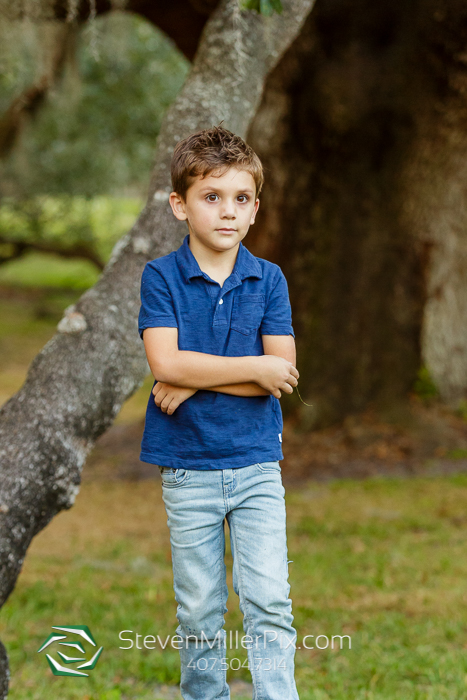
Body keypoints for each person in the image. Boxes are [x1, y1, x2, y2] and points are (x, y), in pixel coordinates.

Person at [138, 125, 300, 700]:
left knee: (268, 601)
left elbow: (280, 375)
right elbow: (164, 362)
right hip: (188, 468)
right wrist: (247, 369)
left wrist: (193, 375)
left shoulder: (269, 279)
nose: (226, 212)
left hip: (257, 466)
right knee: (200, 611)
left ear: (255, 208)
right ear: (181, 205)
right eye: (211, 197)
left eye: (240, 198)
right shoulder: (160, 278)